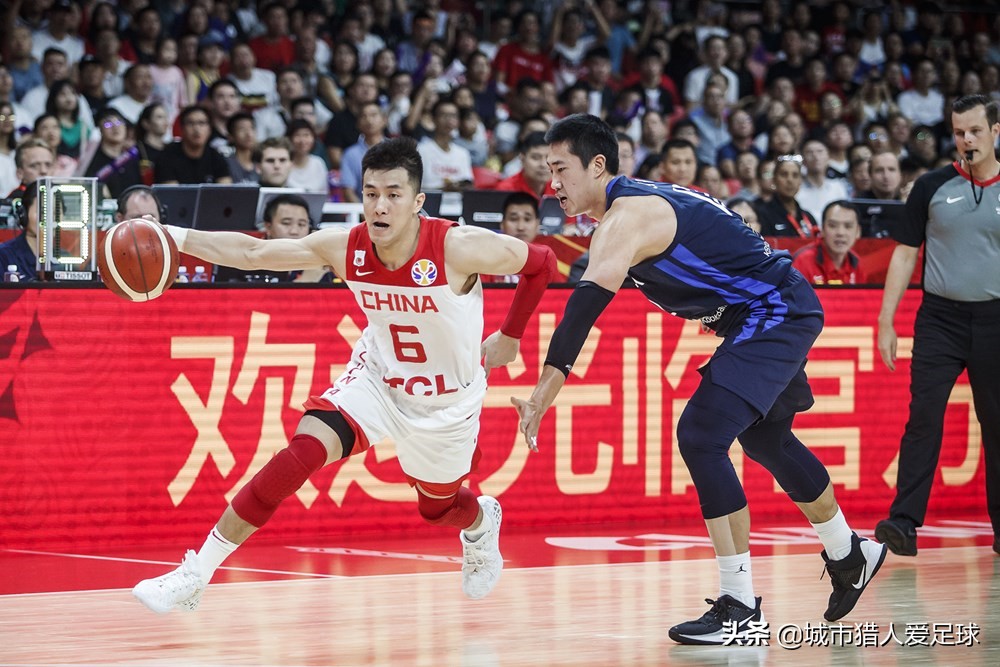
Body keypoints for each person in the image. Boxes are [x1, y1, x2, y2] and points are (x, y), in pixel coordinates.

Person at [131, 137, 558, 614]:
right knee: (300, 456)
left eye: (394, 194)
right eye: (371, 193)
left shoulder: (456, 247)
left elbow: (542, 264)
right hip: (376, 380)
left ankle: (480, 523)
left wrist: (511, 335)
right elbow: (254, 254)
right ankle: (195, 575)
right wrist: (173, 235)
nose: (380, 206)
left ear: (418, 201)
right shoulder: (347, 246)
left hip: (446, 405)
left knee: (437, 508)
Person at [513, 114, 885, 645]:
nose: (552, 183)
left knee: (701, 434)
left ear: (598, 166)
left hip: (772, 309)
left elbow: (582, 311)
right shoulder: (630, 207)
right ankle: (851, 553)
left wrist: (542, 394)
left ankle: (739, 606)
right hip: (762, 310)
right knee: (766, 438)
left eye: (560, 168)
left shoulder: (626, 218)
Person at [874, 94, 1000, 558]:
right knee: (923, 417)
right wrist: (886, 319)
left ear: (996, 131)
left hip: (995, 321)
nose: (967, 139)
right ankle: (903, 523)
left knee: (998, 425)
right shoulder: (931, 185)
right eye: (959, 131)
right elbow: (905, 253)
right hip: (939, 319)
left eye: (976, 130)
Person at [213, 193, 327, 283]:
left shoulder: (319, 263)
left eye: (302, 224)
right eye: (286, 223)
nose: (294, 231)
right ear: (268, 226)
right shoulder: (246, 259)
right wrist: (306, 281)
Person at [792, 200, 867, 285]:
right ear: (822, 229)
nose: (840, 233)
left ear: (858, 232)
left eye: (848, 226)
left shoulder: (857, 263)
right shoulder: (803, 261)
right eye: (832, 225)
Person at [0, 180, 40, 280]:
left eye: (55, 213)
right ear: (23, 214)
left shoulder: (65, 260)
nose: (49, 219)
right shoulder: (3, 256)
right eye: (42, 212)